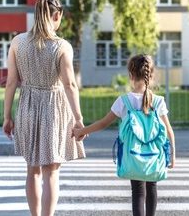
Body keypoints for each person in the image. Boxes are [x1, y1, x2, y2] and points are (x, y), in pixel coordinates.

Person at [2, 0, 86, 215]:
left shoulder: (18, 42)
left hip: (27, 107)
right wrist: (78, 118)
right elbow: (69, 84)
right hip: (54, 109)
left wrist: (6, 117)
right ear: (56, 15)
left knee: (32, 169)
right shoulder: (61, 46)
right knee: (51, 171)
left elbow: (11, 82)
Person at [73, 54, 176, 216]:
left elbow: (103, 123)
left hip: (132, 155)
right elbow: (169, 130)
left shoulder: (123, 101)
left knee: (137, 191)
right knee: (152, 187)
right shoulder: (158, 101)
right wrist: (172, 156)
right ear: (152, 75)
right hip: (155, 154)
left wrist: (81, 132)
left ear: (130, 75)